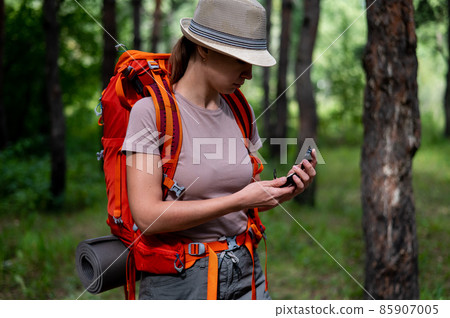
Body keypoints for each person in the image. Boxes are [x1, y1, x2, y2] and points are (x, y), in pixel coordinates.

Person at [122, 0, 317, 300]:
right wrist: (238, 200)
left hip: (245, 269)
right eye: (242, 60)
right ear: (204, 48)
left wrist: (279, 193)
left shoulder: (240, 110)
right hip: (178, 281)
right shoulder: (151, 114)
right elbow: (147, 217)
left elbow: (242, 193)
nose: (249, 74)